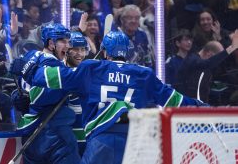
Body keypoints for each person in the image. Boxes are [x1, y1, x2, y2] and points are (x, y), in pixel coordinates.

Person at [14, 31, 209, 164]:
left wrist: (27, 69)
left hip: (102, 139)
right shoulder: (143, 73)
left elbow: (52, 78)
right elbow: (174, 101)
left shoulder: (91, 68)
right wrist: (203, 107)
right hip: (136, 141)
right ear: (128, 51)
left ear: (105, 51)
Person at [10, 23, 81, 164]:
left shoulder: (30, 56)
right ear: (51, 43)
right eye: (63, 41)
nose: (67, 46)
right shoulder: (54, 66)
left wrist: (18, 97)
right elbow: (44, 95)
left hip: (30, 135)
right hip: (54, 132)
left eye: (68, 41)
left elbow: (19, 87)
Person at [176, 31, 238, 102]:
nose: (216, 63)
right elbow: (207, 64)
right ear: (209, 54)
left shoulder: (204, 67)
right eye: (216, 58)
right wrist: (231, 48)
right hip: (184, 105)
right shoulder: (192, 60)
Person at [64, 31, 87, 156]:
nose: (80, 54)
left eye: (83, 49)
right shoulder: (60, 71)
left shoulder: (89, 72)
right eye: (75, 49)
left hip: (86, 134)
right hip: (66, 135)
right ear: (67, 50)